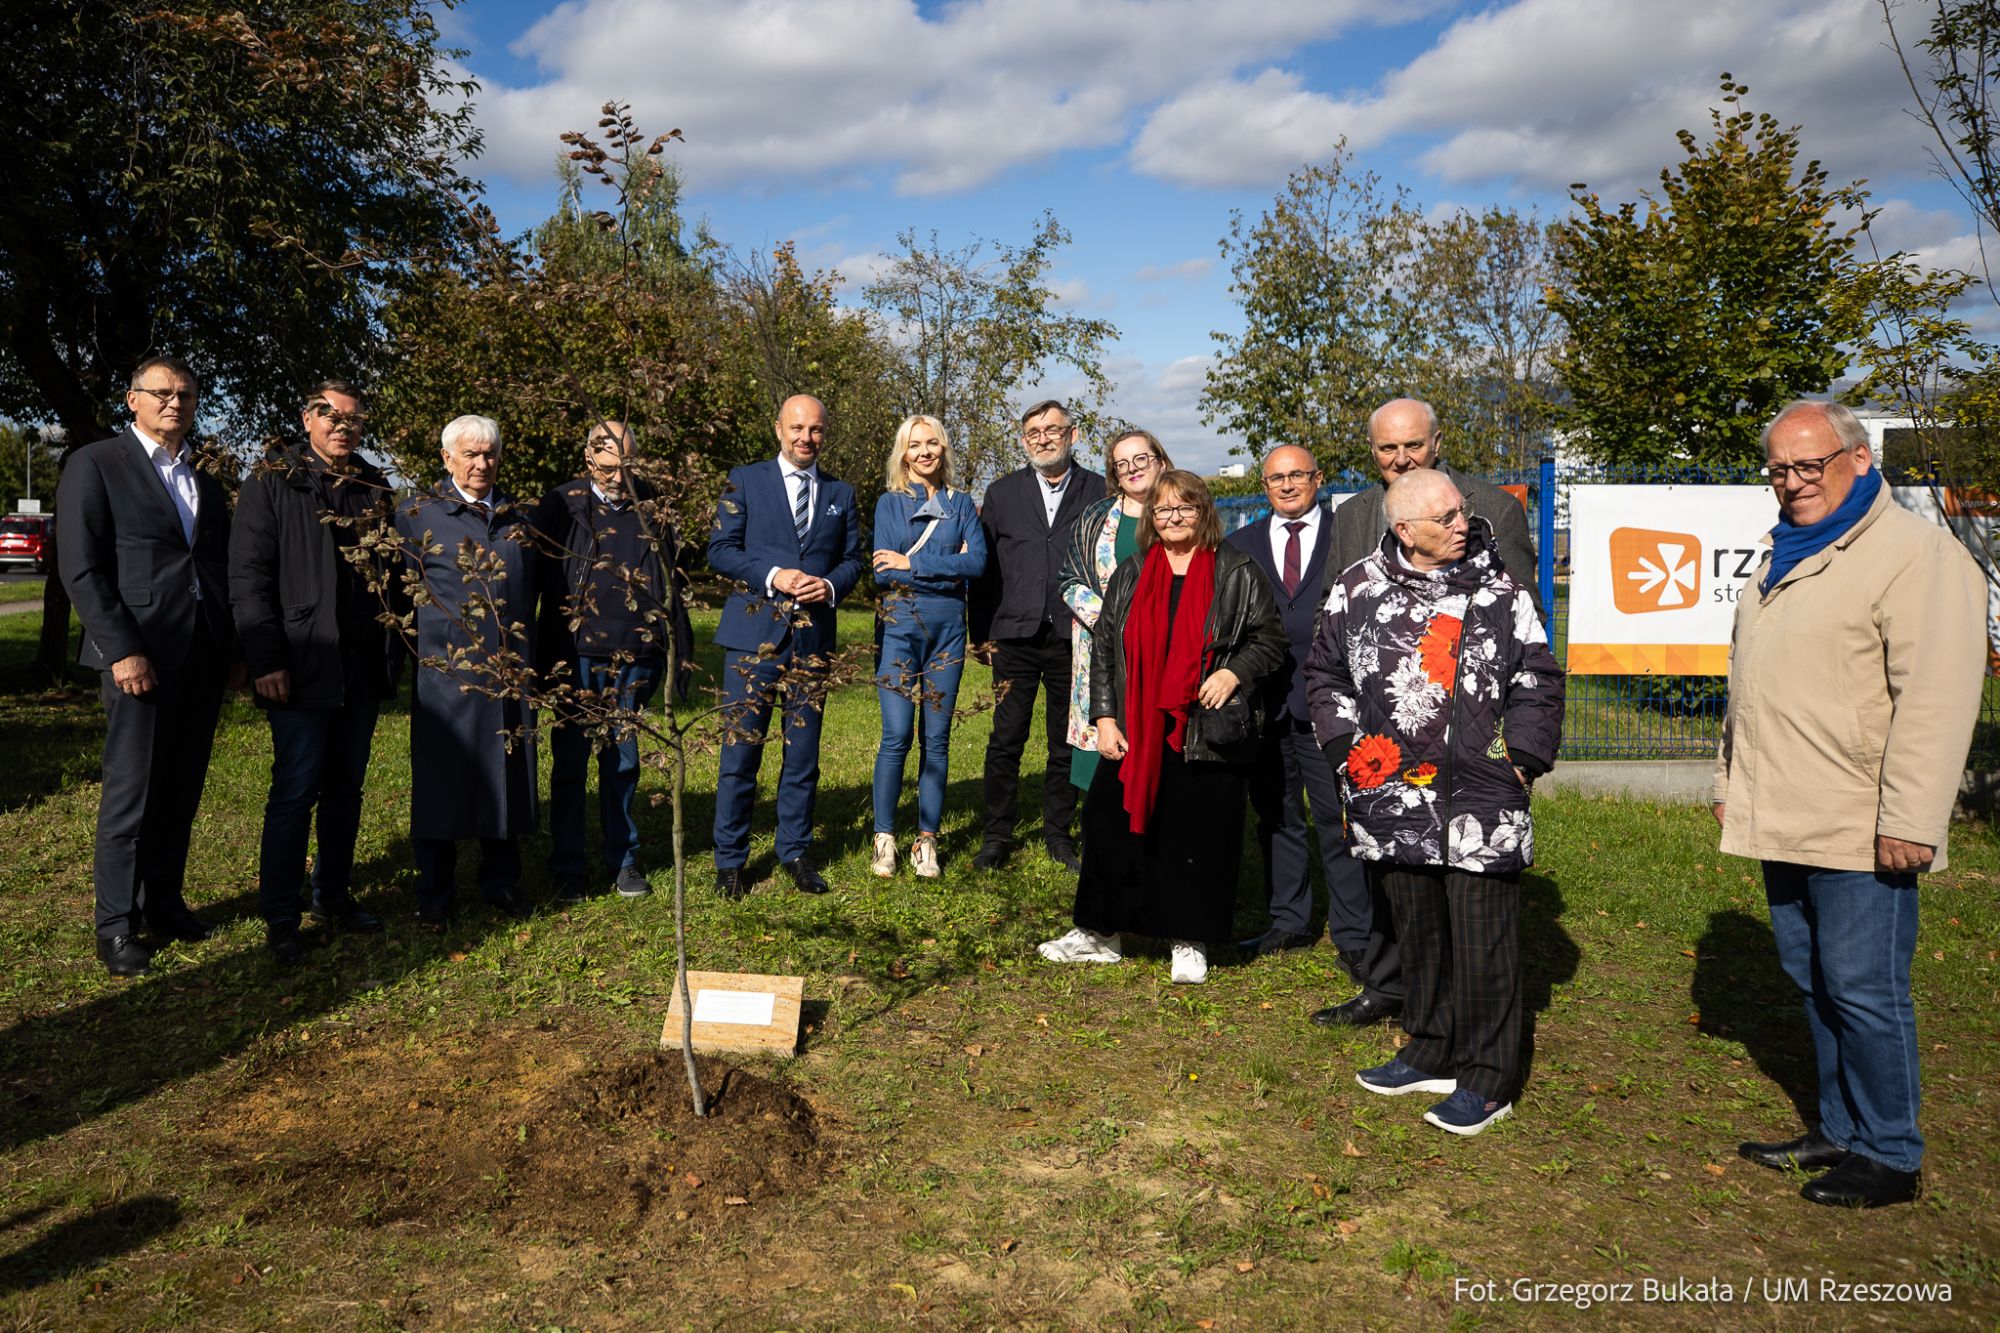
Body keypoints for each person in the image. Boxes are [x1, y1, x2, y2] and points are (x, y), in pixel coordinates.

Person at [1718, 401, 1985, 1208]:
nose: (1793, 482)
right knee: (1809, 974)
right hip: (1787, 806)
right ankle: (1840, 1127)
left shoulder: (1916, 557)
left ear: (1860, 460)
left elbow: (1935, 699)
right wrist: (1735, 786)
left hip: (1862, 818)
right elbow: (1751, 683)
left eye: (1811, 464)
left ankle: (1892, 1151)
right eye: (1779, 468)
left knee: (1864, 986)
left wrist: (1910, 817)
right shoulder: (1783, 549)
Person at [1307, 467, 1563, 1135]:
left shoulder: (1500, 587)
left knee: (1483, 940)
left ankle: (1487, 1077)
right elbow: (1325, 671)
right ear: (1404, 530)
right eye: (1445, 517)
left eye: (1461, 511)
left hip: (1481, 794)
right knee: (1418, 928)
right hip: (1389, 789)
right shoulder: (1357, 586)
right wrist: (1345, 755)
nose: (1462, 523)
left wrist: (1525, 759)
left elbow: (1538, 674)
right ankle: (1428, 1044)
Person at [1312, 396, 1543, 1029]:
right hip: (1381, 742)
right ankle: (1389, 987)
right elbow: (1336, 628)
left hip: (1467, 746)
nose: (1401, 457)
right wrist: (1346, 742)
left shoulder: (1491, 509)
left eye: (1412, 444)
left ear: (1437, 442)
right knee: (1390, 874)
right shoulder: (1357, 514)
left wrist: (1514, 751)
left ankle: (1461, 1011)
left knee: (1464, 888)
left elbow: (1522, 627)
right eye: (1388, 448)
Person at [1039, 470, 1286, 984]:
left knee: (1196, 834)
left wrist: (1232, 671)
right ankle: (1101, 934)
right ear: (1151, 518)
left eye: (1185, 508)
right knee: (1108, 825)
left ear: (1203, 513)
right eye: (1163, 510)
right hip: (1135, 725)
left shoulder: (1237, 571)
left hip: (1204, 726)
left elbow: (1269, 640)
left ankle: (1188, 939)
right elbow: (1106, 648)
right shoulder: (1131, 572)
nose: (1173, 518)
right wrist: (1105, 718)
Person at [57, 354, 235, 977]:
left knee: (181, 789)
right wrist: (120, 649)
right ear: (131, 399)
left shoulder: (202, 479)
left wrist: (230, 648)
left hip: (201, 655)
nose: (174, 403)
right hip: (138, 655)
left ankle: (164, 904)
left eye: (186, 394)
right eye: (160, 392)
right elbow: (81, 568)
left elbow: (210, 566)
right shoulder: (97, 463)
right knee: (132, 793)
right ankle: (115, 925)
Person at [230, 380, 400, 965]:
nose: (342, 426)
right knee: (295, 790)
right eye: (330, 415)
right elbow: (248, 579)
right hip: (300, 662)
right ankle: (281, 914)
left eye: (353, 418)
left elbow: (394, 576)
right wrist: (265, 660)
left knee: (346, 790)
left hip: (360, 665)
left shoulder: (373, 485)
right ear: (308, 419)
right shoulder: (273, 480)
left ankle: (333, 894)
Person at [707, 394, 863, 900]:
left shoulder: (841, 491)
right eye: (797, 428)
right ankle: (729, 859)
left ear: (825, 433)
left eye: (815, 430)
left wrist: (832, 586)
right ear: (778, 429)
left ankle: (794, 849)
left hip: (812, 642)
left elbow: (853, 560)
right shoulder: (745, 479)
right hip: (753, 639)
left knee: (803, 755)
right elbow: (721, 550)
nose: (806, 438)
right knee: (740, 753)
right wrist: (775, 576)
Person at [535, 421, 694, 904]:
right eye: (608, 466)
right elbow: (538, 578)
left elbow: (673, 579)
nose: (617, 476)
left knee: (623, 763)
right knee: (570, 762)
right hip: (575, 653)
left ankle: (623, 859)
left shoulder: (654, 509)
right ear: (588, 460)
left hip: (636, 653)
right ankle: (568, 864)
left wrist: (676, 648)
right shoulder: (562, 504)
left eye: (627, 465)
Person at [393, 415, 541, 929]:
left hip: (509, 672)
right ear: (447, 458)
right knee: (442, 782)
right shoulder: (418, 514)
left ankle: (500, 881)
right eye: (471, 454)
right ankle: (434, 890)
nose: (482, 463)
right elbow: (400, 595)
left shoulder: (518, 517)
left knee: (506, 776)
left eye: (490, 454)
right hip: (448, 673)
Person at [1225, 444, 1361, 962]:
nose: (1286, 485)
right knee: (1277, 817)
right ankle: (1289, 920)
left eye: (1297, 475)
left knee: (1337, 819)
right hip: (1264, 706)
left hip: (1330, 706)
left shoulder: (1347, 538)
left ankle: (1354, 934)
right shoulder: (1239, 544)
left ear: (1318, 478)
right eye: (1276, 478)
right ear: (1264, 486)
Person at [969, 400, 1104, 872]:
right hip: (1014, 633)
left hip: (1075, 637)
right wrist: (980, 634)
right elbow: (984, 571)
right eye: (1033, 432)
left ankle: (1058, 834)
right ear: (1023, 440)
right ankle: (997, 835)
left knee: (1065, 741)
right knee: (1006, 738)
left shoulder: (1101, 491)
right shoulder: (1002, 492)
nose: (1042, 438)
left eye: (1052, 430)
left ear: (1073, 434)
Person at [868, 415, 988, 878]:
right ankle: (884, 838)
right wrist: (947, 563)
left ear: (943, 448)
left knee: (936, 740)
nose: (923, 452)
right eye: (914, 444)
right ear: (903, 452)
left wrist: (912, 562)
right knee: (896, 736)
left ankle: (926, 841)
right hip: (898, 627)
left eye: (931, 442)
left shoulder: (961, 503)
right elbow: (883, 572)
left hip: (948, 632)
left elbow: (976, 563)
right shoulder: (889, 503)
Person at [1059, 428, 1172, 795]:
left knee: (1161, 759)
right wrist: (1115, 623)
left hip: (1166, 650)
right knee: (1105, 772)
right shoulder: (1095, 518)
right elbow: (1069, 580)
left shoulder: (1182, 512)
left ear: (1161, 462)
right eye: (1122, 464)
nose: (1133, 468)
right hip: (1103, 653)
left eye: (1141, 459)